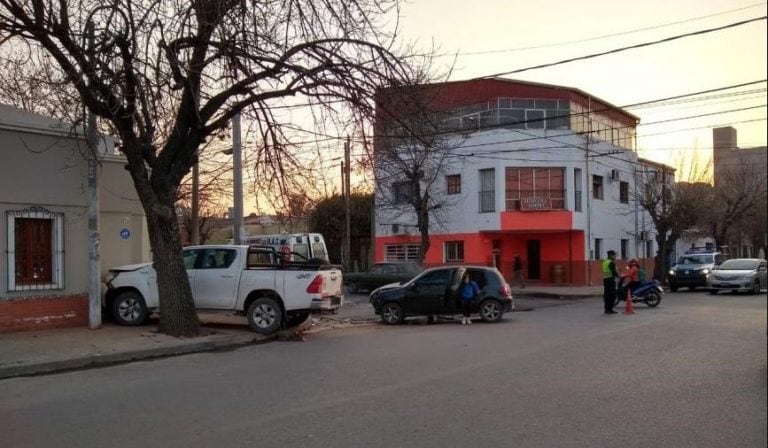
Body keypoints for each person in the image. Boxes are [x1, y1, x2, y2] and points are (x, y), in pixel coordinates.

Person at [602, 250, 619, 314]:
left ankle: (606, 309)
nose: (615, 257)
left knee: (607, 295)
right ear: (611, 256)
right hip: (611, 280)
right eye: (614, 255)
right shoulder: (611, 262)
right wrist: (618, 277)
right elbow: (614, 271)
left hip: (605, 280)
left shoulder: (604, 262)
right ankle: (610, 309)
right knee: (612, 295)